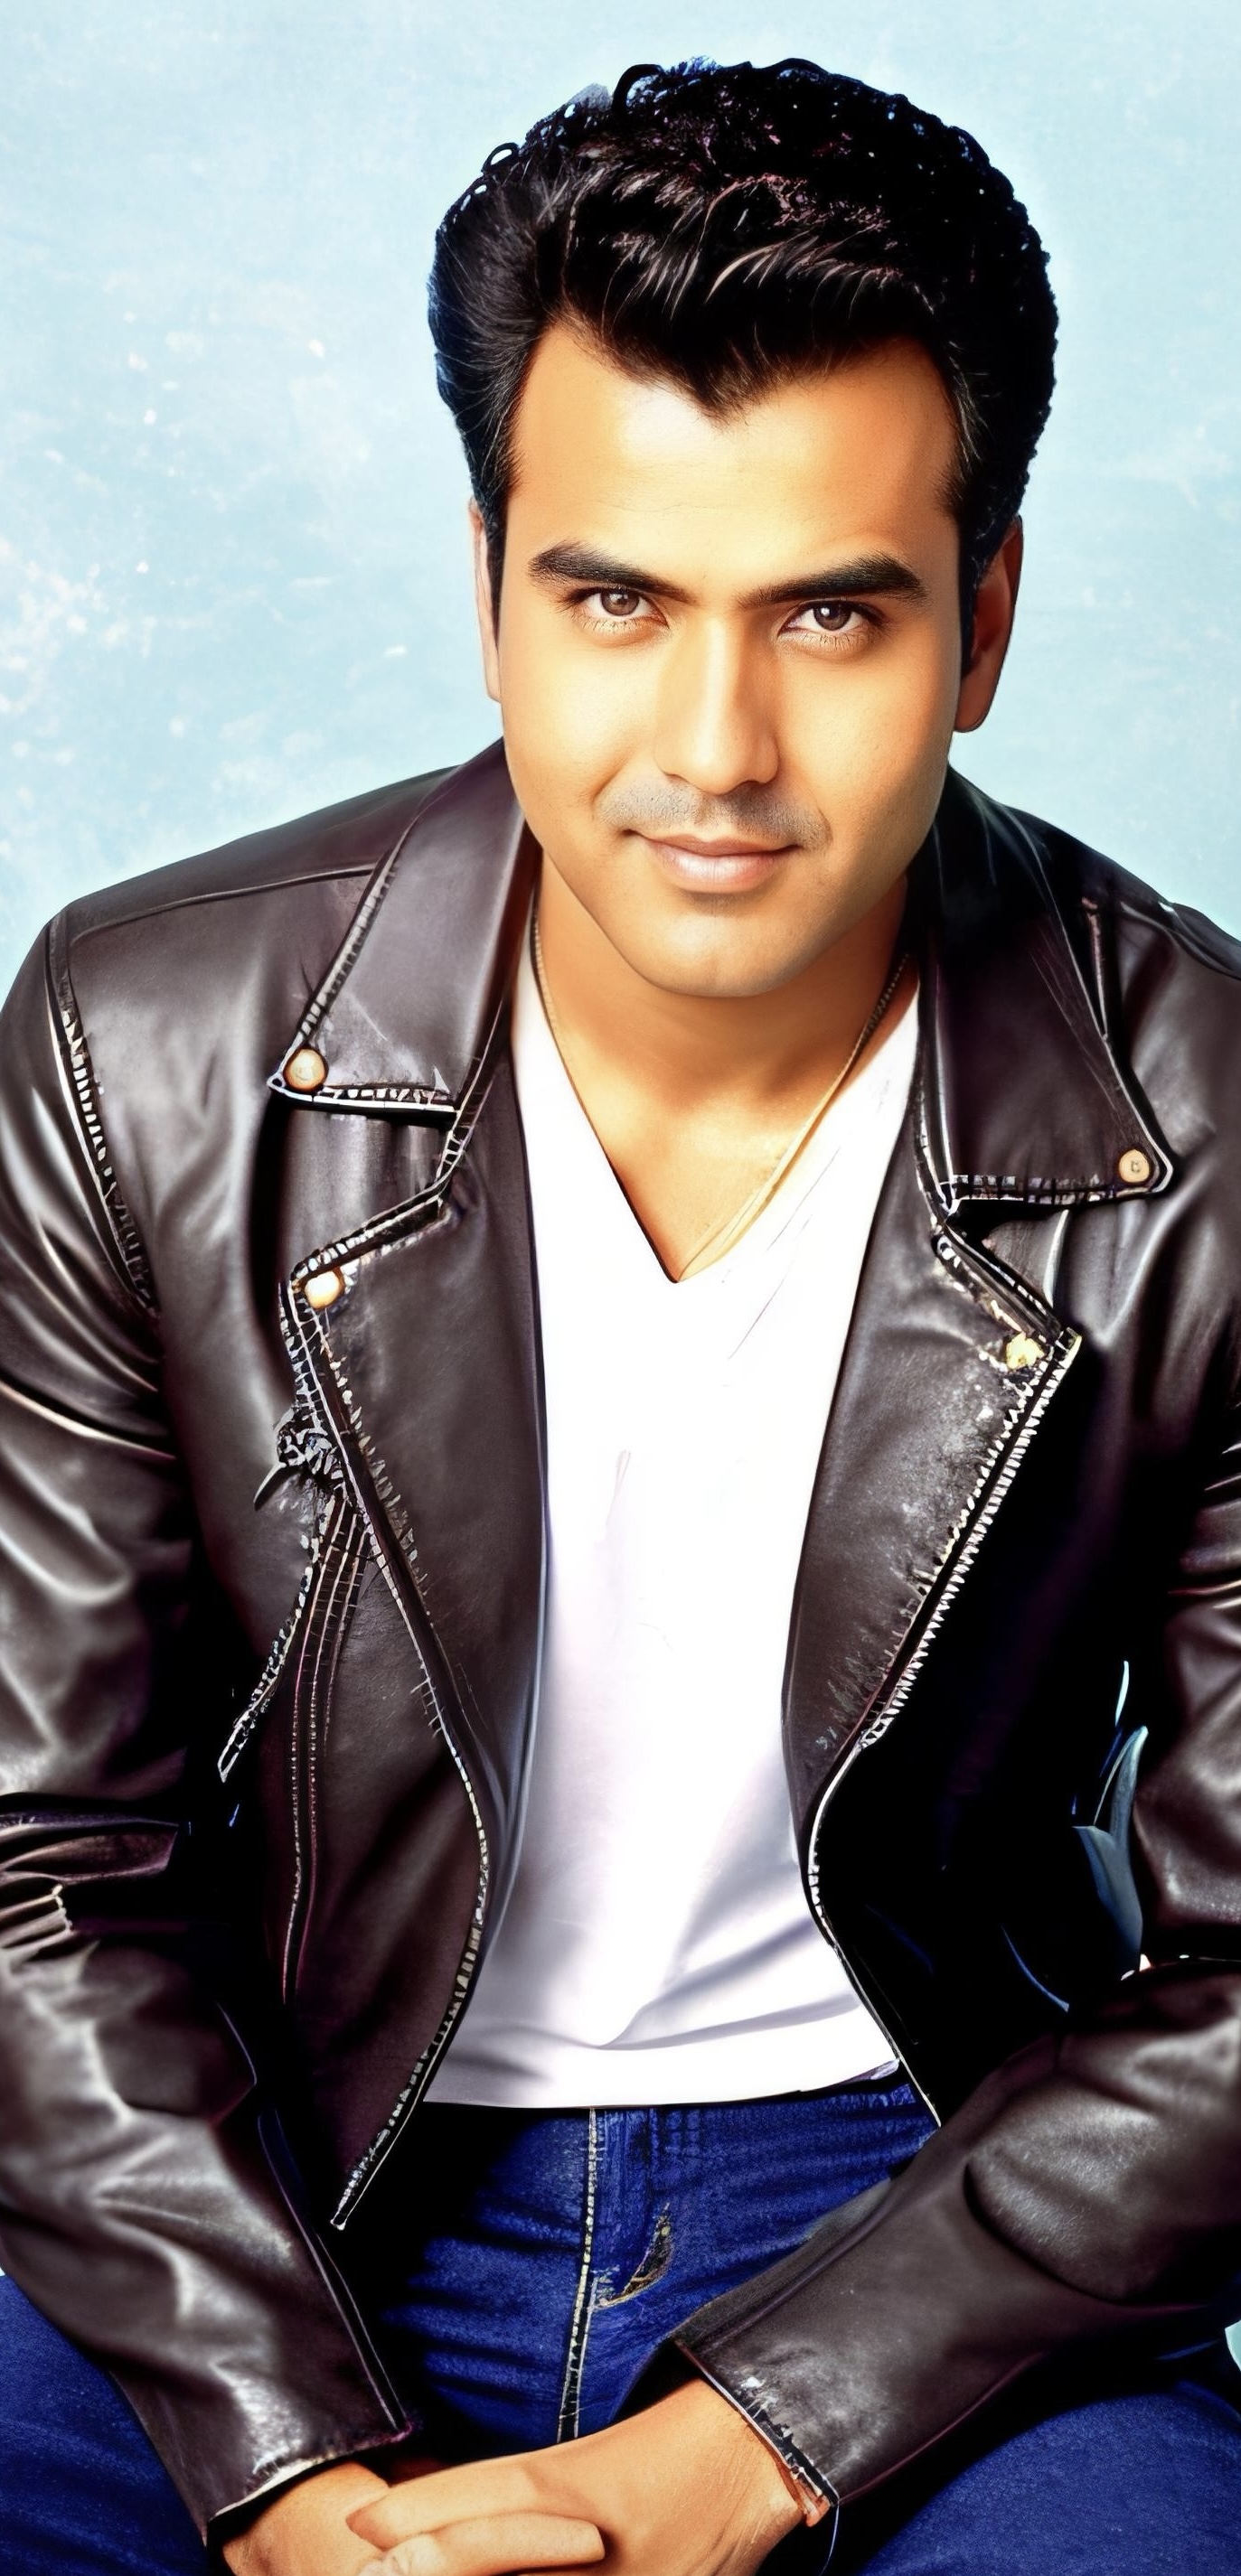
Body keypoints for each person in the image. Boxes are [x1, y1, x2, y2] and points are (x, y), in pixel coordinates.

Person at [1, 52, 1240, 2576]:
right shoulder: (146, 1049)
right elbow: (40, 1862)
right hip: (257, 2154)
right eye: (615, 601)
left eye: (833, 612)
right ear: (489, 588)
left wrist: (739, 2452)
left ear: (987, 621)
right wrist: (285, 2465)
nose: (715, 748)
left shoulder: (1207, 1119)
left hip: (934, 2200)